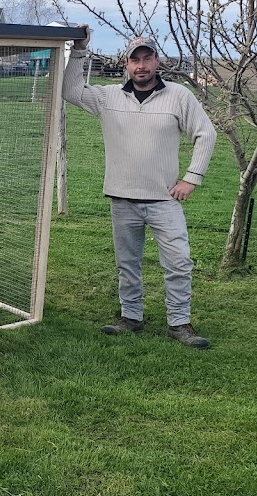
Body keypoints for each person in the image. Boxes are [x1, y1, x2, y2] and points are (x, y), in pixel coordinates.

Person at [62, 26, 217, 349]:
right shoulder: (108, 97)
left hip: (164, 198)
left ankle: (180, 322)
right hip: (122, 198)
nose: (141, 66)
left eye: (147, 58)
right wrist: (79, 50)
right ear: (126, 65)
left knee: (178, 262)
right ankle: (131, 317)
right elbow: (71, 91)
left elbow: (206, 133)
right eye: (135, 60)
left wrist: (192, 178)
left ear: (157, 61)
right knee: (127, 263)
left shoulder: (178, 96)